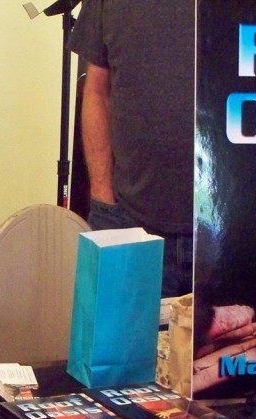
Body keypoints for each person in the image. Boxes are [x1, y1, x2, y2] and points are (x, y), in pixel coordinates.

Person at [68, 0, 195, 297]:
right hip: (128, 216)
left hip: (228, 232)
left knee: (237, 341)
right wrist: (102, 194)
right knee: (120, 343)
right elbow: (97, 91)